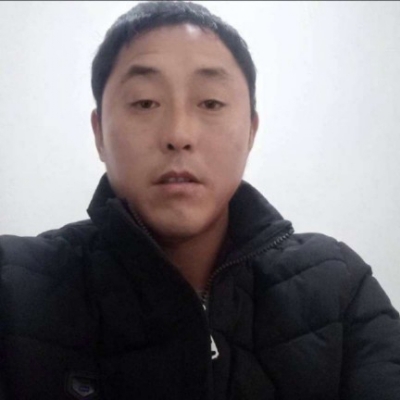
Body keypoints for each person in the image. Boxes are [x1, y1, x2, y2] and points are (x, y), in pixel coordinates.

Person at [0, 1, 399, 399]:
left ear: (251, 132)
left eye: (210, 103)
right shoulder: (13, 288)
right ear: (99, 133)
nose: (179, 134)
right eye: (144, 102)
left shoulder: (338, 287)